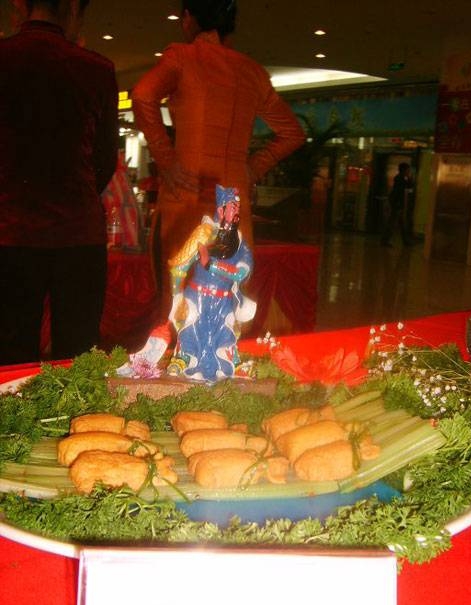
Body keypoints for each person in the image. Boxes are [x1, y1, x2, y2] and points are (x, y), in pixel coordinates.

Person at [132, 0, 305, 319]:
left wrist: (166, 160)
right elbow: (293, 133)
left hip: (185, 194)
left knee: (178, 298)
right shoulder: (252, 72)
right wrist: (253, 168)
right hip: (233, 201)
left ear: (188, 18)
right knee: (227, 297)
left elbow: (143, 95)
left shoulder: (183, 57)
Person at [0, 0, 118, 364]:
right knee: (78, 357)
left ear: (20, 5)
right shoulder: (98, 69)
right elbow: (105, 160)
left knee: (9, 356)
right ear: (72, 9)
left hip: (10, 231)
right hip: (78, 233)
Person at [166, 185, 255, 383]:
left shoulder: (240, 243)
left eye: (238, 209)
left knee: (226, 332)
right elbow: (179, 266)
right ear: (221, 210)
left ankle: (231, 363)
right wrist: (176, 295)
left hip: (224, 300)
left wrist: (211, 265)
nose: (236, 213)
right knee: (191, 327)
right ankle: (183, 359)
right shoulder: (204, 234)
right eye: (232, 208)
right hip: (197, 296)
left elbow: (241, 273)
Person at [381, 162, 415, 247]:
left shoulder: (400, 178)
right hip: (397, 203)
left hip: (397, 202)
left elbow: (408, 187)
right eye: (408, 170)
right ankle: (386, 240)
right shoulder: (400, 179)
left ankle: (405, 240)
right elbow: (408, 187)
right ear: (404, 170)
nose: (408, 171)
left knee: (400, 222)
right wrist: (410, 178)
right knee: (393, 222)